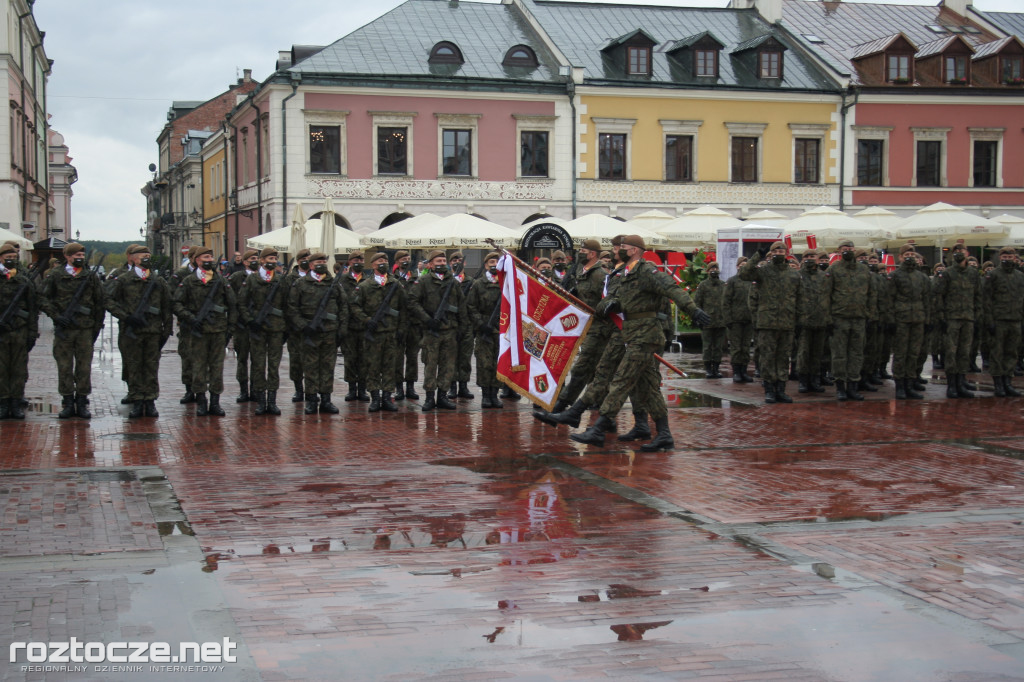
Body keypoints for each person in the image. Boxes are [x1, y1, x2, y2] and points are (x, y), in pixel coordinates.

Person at [570, 235, 709, 451]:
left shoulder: (646, 270)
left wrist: (692, 309)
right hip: (631, 334)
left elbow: (672, 288)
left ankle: (598, 429)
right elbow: (617, 299)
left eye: (623, 247)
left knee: (621, 380)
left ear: (634, 250)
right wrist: (611, 305)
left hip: (646, 336)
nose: (619, 250)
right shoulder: (625, 272)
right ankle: (664, 434)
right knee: (649, 388)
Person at [534, 239, 607, 422]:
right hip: (587, 329)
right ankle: (585, 414)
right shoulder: (581, 273)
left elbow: (608, 300)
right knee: (591, 372)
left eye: (583, 250)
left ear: (592, 254)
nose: (579, 253)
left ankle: (563, 409)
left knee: (584, 370)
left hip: (599, 329)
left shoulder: (599, 275)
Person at [104, 245, 173, 418]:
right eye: (143, 255)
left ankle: (150, 401)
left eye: (148, 255)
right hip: (132, 331)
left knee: (151, 366)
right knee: (134, 366)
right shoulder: (124, 280)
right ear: (133, 258)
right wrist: (126, 317)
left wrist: (167, 330)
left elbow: (167, 307)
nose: (146, 258)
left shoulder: (158, 281)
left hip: (153, 331)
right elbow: (109, 301)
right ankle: (137, 400)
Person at [40, 242, 106, 419]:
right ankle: (68, 401)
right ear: (67, 257)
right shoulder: (55, 275)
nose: (80, 258)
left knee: (84, 367)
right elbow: (43, 298)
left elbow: (100, 301)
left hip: (84, 328)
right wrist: (56, 316)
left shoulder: (90, 276)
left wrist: (97, 325)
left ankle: (82, 401)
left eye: (82, 255)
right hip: (65, 329)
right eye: (76, 255)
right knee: (64, 366)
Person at [173, 247, 237, 416]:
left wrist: (229, 329)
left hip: (217, 331)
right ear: (197, 261)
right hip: (197, 332)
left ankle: (215, 402)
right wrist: (190, 318)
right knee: (198, 367)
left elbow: (232, 304)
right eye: (205, 257)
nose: (209, 259)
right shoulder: (188, 281)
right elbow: (177, 303)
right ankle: (201, 401)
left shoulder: (221, 281)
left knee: (217, 367)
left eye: (211, 256)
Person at [739, 241, 801, 404]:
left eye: (782, 250)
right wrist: (757, 255)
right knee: (767, 357)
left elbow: (799, 299)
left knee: (783, 358)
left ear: (786, 253)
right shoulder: (763, 271)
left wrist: (798, 320)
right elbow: (744, 274)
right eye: (776, 250)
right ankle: (769, 390)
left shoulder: (793, 274)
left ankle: (781, 389)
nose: (779, 252)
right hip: (767, 322)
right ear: (771, 253)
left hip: (787, 322)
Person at [288, 251, 349, 413]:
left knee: (328, 366)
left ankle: (326, 400)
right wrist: (303, 326)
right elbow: (292, 308)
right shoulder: (301, 284)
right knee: (310, 366)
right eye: (318, 262)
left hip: (330, 331)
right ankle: (312, 399)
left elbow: (343, 306)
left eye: (324, 261)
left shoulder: (334, 283)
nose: (321, 264)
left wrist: (341, 330)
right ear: (311, 265)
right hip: (310, 332)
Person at [407, 250, 465, 411]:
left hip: (450, 330)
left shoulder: (452, 282)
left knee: (448, 365)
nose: (441, 263)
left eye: (443, 260)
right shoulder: (423, 281)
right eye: (438, 261)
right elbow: (412, 302)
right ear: (431, 264)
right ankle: (430, 397)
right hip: (431, 331)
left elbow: (461, 305)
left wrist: (462, 328)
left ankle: (442, 396)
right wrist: (427, 319)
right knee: (430, 365)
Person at [351, 252, 406, 412]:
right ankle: (375, 397)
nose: (383, 263)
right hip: (373, 334)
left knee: (390, 366)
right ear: (373, 264)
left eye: (385, 261)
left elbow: (404, 308)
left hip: (390, 332)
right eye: (379, 261)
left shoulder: (395, 284)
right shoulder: (365, 286)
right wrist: (367, 320)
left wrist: (401, 329)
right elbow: (354, 306)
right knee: (373, 366)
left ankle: (387, 397)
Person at [238, 247, 288, 415]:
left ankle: (272, 401)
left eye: (275, 259)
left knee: (274, 366)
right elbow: (242, 303)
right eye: (270, 259)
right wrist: (250, 321)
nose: (273, 262)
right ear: (261, 260)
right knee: (259, 365)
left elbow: (287, 305)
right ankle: (260, 400)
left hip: (276, 328)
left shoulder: (280, 280)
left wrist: (285, 327)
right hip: (258, 329)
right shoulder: (252, 280)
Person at [824, 239, 875, 401]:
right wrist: (828, 319)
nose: (848, 251)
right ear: (839, 252)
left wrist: (869, 314)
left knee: (857, 354)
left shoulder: (863, 270)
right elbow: (826, 295)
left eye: (850, 248)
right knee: (839, 354)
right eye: (845, 248)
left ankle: (853, 385)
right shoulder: (833, 270)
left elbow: (871, 294)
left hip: (859, 318)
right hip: (839, 318)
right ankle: (840, 386)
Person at [933, 243, 982, 398]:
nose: (959, 253)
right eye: (956, 251)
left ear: (967, 253)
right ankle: (952, 385)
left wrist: (977, 316)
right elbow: (939, 296)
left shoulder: (973, 274)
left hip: (968, 317)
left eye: (962, 250)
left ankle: (961, 382)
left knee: (964, 352)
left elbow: (978, 296)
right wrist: (942, 317)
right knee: (951, 352)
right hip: (952, 318)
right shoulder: (947, 273)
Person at [0, 242, 38, 419]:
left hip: (19, 330)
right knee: (1, 368)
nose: (11, 261)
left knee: (18, 369)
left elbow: (32, 308)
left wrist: (32, 332)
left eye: (14, 258)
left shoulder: (24, 281)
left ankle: (15, 401)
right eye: (8, 258)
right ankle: (3, 402)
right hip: (1, 331)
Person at [982, 246, 1024, 397]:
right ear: (1000, 258)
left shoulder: (1020, 276)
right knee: (997, 353)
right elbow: (986, 300)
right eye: (1004, 257)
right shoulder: (993, 275)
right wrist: (989, 321)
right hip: (999, 320)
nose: (1007, 259)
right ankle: (998, 384)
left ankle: (1008, 382)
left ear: (1015, 258)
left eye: (1010, 257)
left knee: (1012, 353)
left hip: (1015, 319)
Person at [890, 248, 931, 399]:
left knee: (914, 353)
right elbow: (890, 299)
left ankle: (910, 384)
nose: (910, 257)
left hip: (918, 319)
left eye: (912, 255)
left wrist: (927, 320)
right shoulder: (895, 275)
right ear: (900, 257)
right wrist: (891, 320)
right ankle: (900, 386)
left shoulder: (921, 277)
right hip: (901, 319)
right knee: (901, 354)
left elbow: (926, 299)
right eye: (906, 255)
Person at [467, 252, 505, 408]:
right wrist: (481, 324)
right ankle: (485, 395)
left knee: (498, 363)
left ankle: (495, 394)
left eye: (497, 261)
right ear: (485, 265)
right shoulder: (478, 284)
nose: (494, 264)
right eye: (491, 261)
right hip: (484, 328)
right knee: (484, 363)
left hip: (501, 329)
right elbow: (470, 306)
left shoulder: (505, 284)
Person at [228, 248, 260, 402]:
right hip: (241, 325)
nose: (255, 260)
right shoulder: (236, 277)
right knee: (242, 359)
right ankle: (243, 390)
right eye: (252, 258)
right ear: (246, 262)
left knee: (257, 359)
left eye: (257, 258)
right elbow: (231, 300)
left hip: (258, 325)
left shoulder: (262, 277)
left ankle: (255, 390)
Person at [170, 246, 200, 404]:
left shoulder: (210, 275)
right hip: (187, 324)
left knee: (202, 359)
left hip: (204, 325)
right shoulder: (181, 275)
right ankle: (189, 390)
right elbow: (173, 298)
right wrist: (184, 315)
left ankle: (200, 389)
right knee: (187, 356)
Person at [338, 250, 369, 402]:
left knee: (364, 359)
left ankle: (362, 389)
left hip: (364, 326)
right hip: (349, 326)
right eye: (355, 260)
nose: (359, 262)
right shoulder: (342, 280)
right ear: (350, 262)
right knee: (350, 359)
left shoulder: (368, 280)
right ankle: (351, 388)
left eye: (361, 260)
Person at [795, 249, 828, 394]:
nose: (810, 259)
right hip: (804, 321)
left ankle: (815, 380)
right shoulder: (797, 276)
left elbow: (829, 297)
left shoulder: (824, 276)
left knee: (817, 353)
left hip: (820, 320)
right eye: (806, 256)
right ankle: (803, 380)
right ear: (802, 259)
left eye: (812, 256)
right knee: (803, 352)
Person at [392, 250, 420, 401]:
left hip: (414, 323)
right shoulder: (393, 279)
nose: (406, 261)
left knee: (412, 356)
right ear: (397, 262)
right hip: (398, 324)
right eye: (403, 259)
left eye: (408, 258)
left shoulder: (417, 278)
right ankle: (398, 387)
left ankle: (410, 386)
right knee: (397, 357)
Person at [447, 250, 475, 400]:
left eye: (459, 260)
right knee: (452, 357)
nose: (457, 262)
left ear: (464, 263)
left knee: (465, 357)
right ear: (450, 263)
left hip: (467, 324)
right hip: (451, 324)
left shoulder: (472, 282)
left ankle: (463, 386)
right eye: (454, 260)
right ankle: (452, 386)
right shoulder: (447, 282)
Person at [284, 248, 312, 402]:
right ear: (299, 261)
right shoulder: (290, 279)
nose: (307, 260)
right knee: (296, 360)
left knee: (312, 361)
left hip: (312, 327)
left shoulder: (315, 277)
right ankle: (298, 389)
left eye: (309, 257)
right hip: (295, 328)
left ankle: (311, 390)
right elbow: (287, 303)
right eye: (304, 258)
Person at [722, 256, 754, 383]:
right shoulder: (732, 281)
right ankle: (736, 372)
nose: (743, 267)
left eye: (746, 265)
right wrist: (728, 319)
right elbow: (726, 301)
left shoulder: (752, 281)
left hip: (748, 319)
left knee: (746, 347)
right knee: (736, 347)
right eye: (741, 265)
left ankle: (744, 371)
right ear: (737, 267)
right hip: (735, 320)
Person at [693, 260, 726, 379]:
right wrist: (698, 318)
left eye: (716, 269)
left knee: (718, 347)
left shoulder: (723, 285)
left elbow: (727, 302)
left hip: (721, 321)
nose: (714, 271)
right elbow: (697, 302)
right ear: (707, 271)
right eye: (712, 269)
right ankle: (708, 369)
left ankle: (716, 369)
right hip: (707, 321)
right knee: (707, 346)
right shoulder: (703, 285)